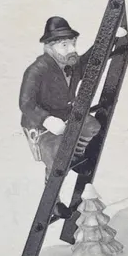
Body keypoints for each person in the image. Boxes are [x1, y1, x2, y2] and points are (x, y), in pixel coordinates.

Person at [19, 16, 101, 178]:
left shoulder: (71, 64)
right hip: (41, 127)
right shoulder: (36, 70)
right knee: (57, 157)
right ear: (49, 47)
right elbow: (26, 103)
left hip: (66, 115)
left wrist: (111, 40)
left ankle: (75, 157)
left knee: (91, 126)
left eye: (73, 43)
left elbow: (89, 61)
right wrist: (46, 119)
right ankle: (52, 187)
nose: (71, 49)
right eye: (64, 45)